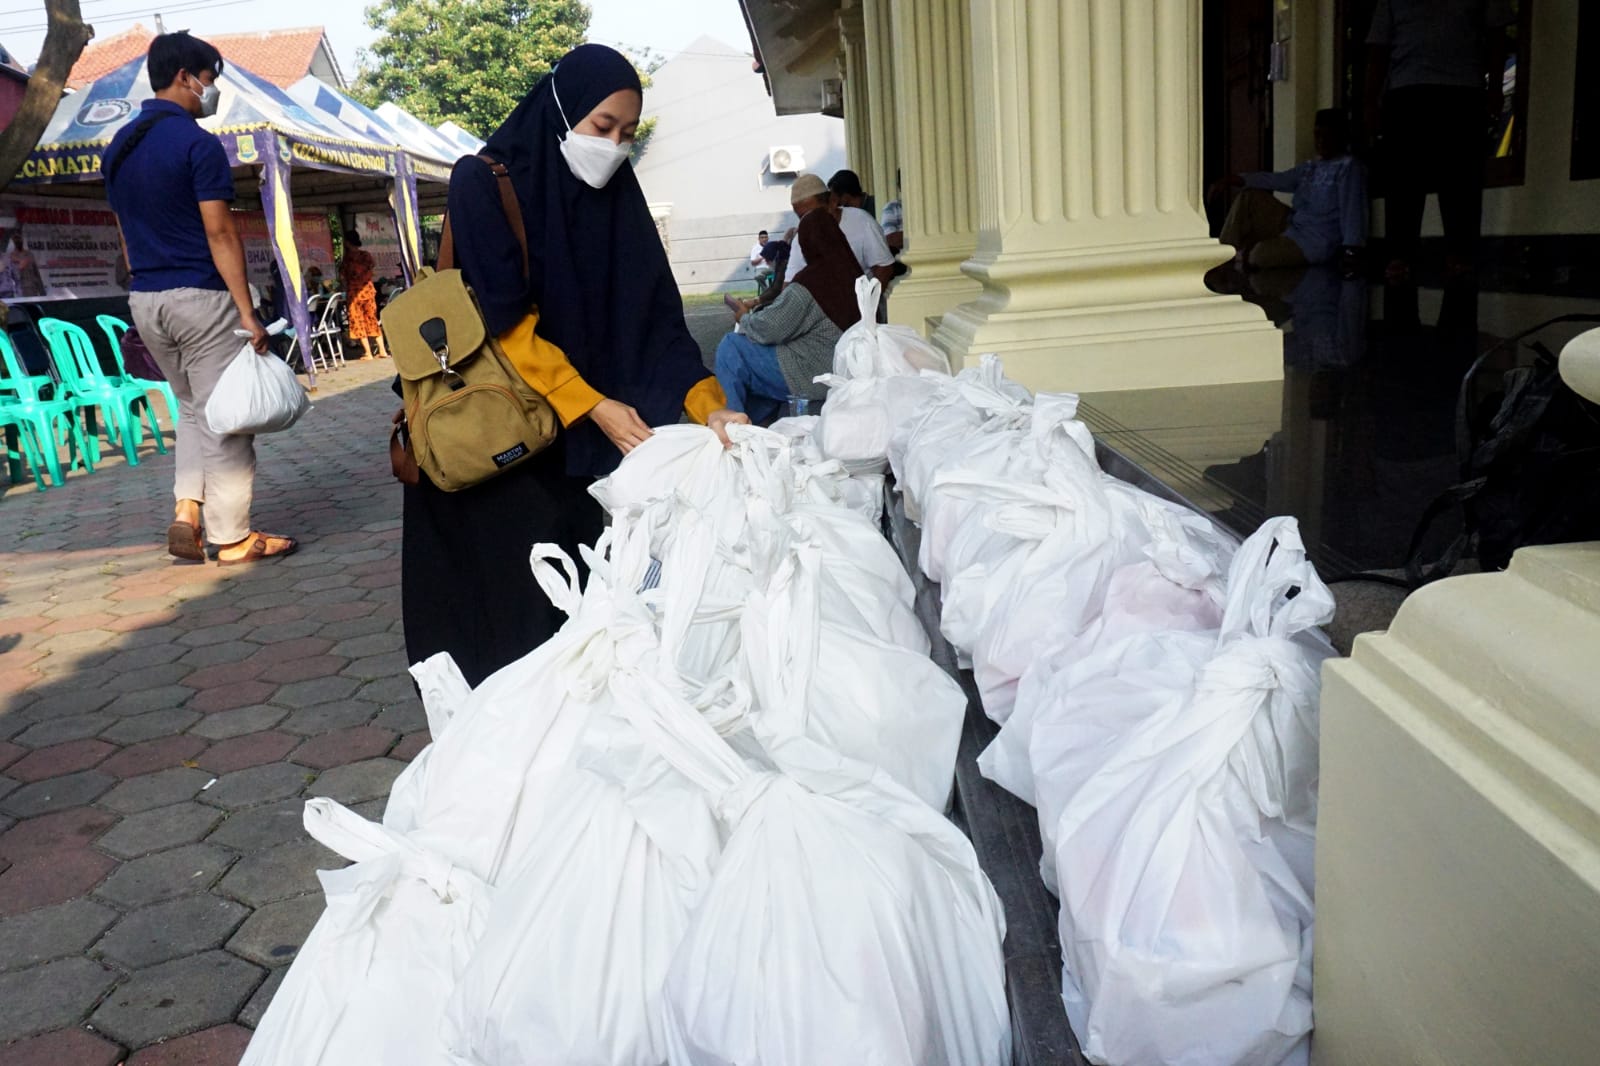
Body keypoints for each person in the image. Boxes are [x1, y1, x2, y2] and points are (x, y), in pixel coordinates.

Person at [402, 44, 738, 686]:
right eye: (602, 126)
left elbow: (656, 325)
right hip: (500, 441)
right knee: (508, 630)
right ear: (561, 111)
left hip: (575, 459)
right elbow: (505, 326)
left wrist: (711, 408)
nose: (612, 147)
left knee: (579, 623)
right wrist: (593, 405)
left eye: (627, 134)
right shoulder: (484, 181)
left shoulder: (616, 199)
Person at [105, 32, 295, 566]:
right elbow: (220, 232)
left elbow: (124, 233)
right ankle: (232, 539)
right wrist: (247, 313)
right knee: (227, 419)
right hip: (201, 298)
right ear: (185, 77)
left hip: (146, 299)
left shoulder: (119, 146)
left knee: (190, 408)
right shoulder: (197, 144)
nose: (212, 90)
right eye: (209, 79)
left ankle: (187, 510)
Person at [1364, 0, 1513, 283]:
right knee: (1405, 181)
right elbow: (1378, 49)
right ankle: (1401, 255)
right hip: (1409, 92)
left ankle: (1460, 254)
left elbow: (1497, 34)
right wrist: (1370, 102)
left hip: (1461, 92)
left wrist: (1494, 87)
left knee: (1461, 180)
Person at [713, 208, 863, 423]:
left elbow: (770, 328)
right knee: (759, 366)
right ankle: (759, 424)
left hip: (812, 374)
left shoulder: (812, 282)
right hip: (847, 370)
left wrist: (744, 317)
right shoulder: (855, 275)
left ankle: (733, 425)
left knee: (732, 347)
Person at [1208, 109, 1367, 273]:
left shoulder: (1349, 167)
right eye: (1318, 135)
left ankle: (1245, 256)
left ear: (1340, 136)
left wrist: (1351, 249)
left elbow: (1353, 211)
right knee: (1248, 198)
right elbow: (1278, 179)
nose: (1321, 141)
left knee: (1259, 256)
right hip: (1294, 224)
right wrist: (1233, 179)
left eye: (1328, 135)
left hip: (1316, 240)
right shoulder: (1311, 166)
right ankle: (1221, 256)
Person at [825, 169, 896, 291]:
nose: (833, 203)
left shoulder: (872, 210)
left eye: (833, 197)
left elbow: (884, 266)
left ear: (845, 197)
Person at [340, 230, 389, 361]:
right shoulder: (366, 256)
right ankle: (382, 350)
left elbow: (343, 277)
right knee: (372, 319)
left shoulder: (348, 259)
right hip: (368, 291)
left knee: (358, 322)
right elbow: (372, 269)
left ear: (347, 242)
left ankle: (368, 352)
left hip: (354, 294)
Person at [6, 229, 45, 297]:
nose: (19, 242)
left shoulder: (29, 254)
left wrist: (42, 292)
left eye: (19, 240)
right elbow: (11, 276)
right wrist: (19, 264)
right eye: (16, 241)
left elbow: (37, 274)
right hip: (19, 290)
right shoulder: (9, 257)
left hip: (32, 288)